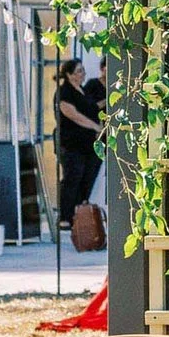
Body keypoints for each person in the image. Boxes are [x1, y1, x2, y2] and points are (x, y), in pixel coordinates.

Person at [54, 60, 103, 227]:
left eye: (82, 71)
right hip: (72, 144)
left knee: (87, 177)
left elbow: (92, 108)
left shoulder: (83, 91)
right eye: (79, 71)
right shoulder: (64, 92)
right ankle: (65, 217)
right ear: (69, 75)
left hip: (88, 144)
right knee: (72, 178)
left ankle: (79, 213)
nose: (83, 74)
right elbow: (73, 115)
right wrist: (94, 126)